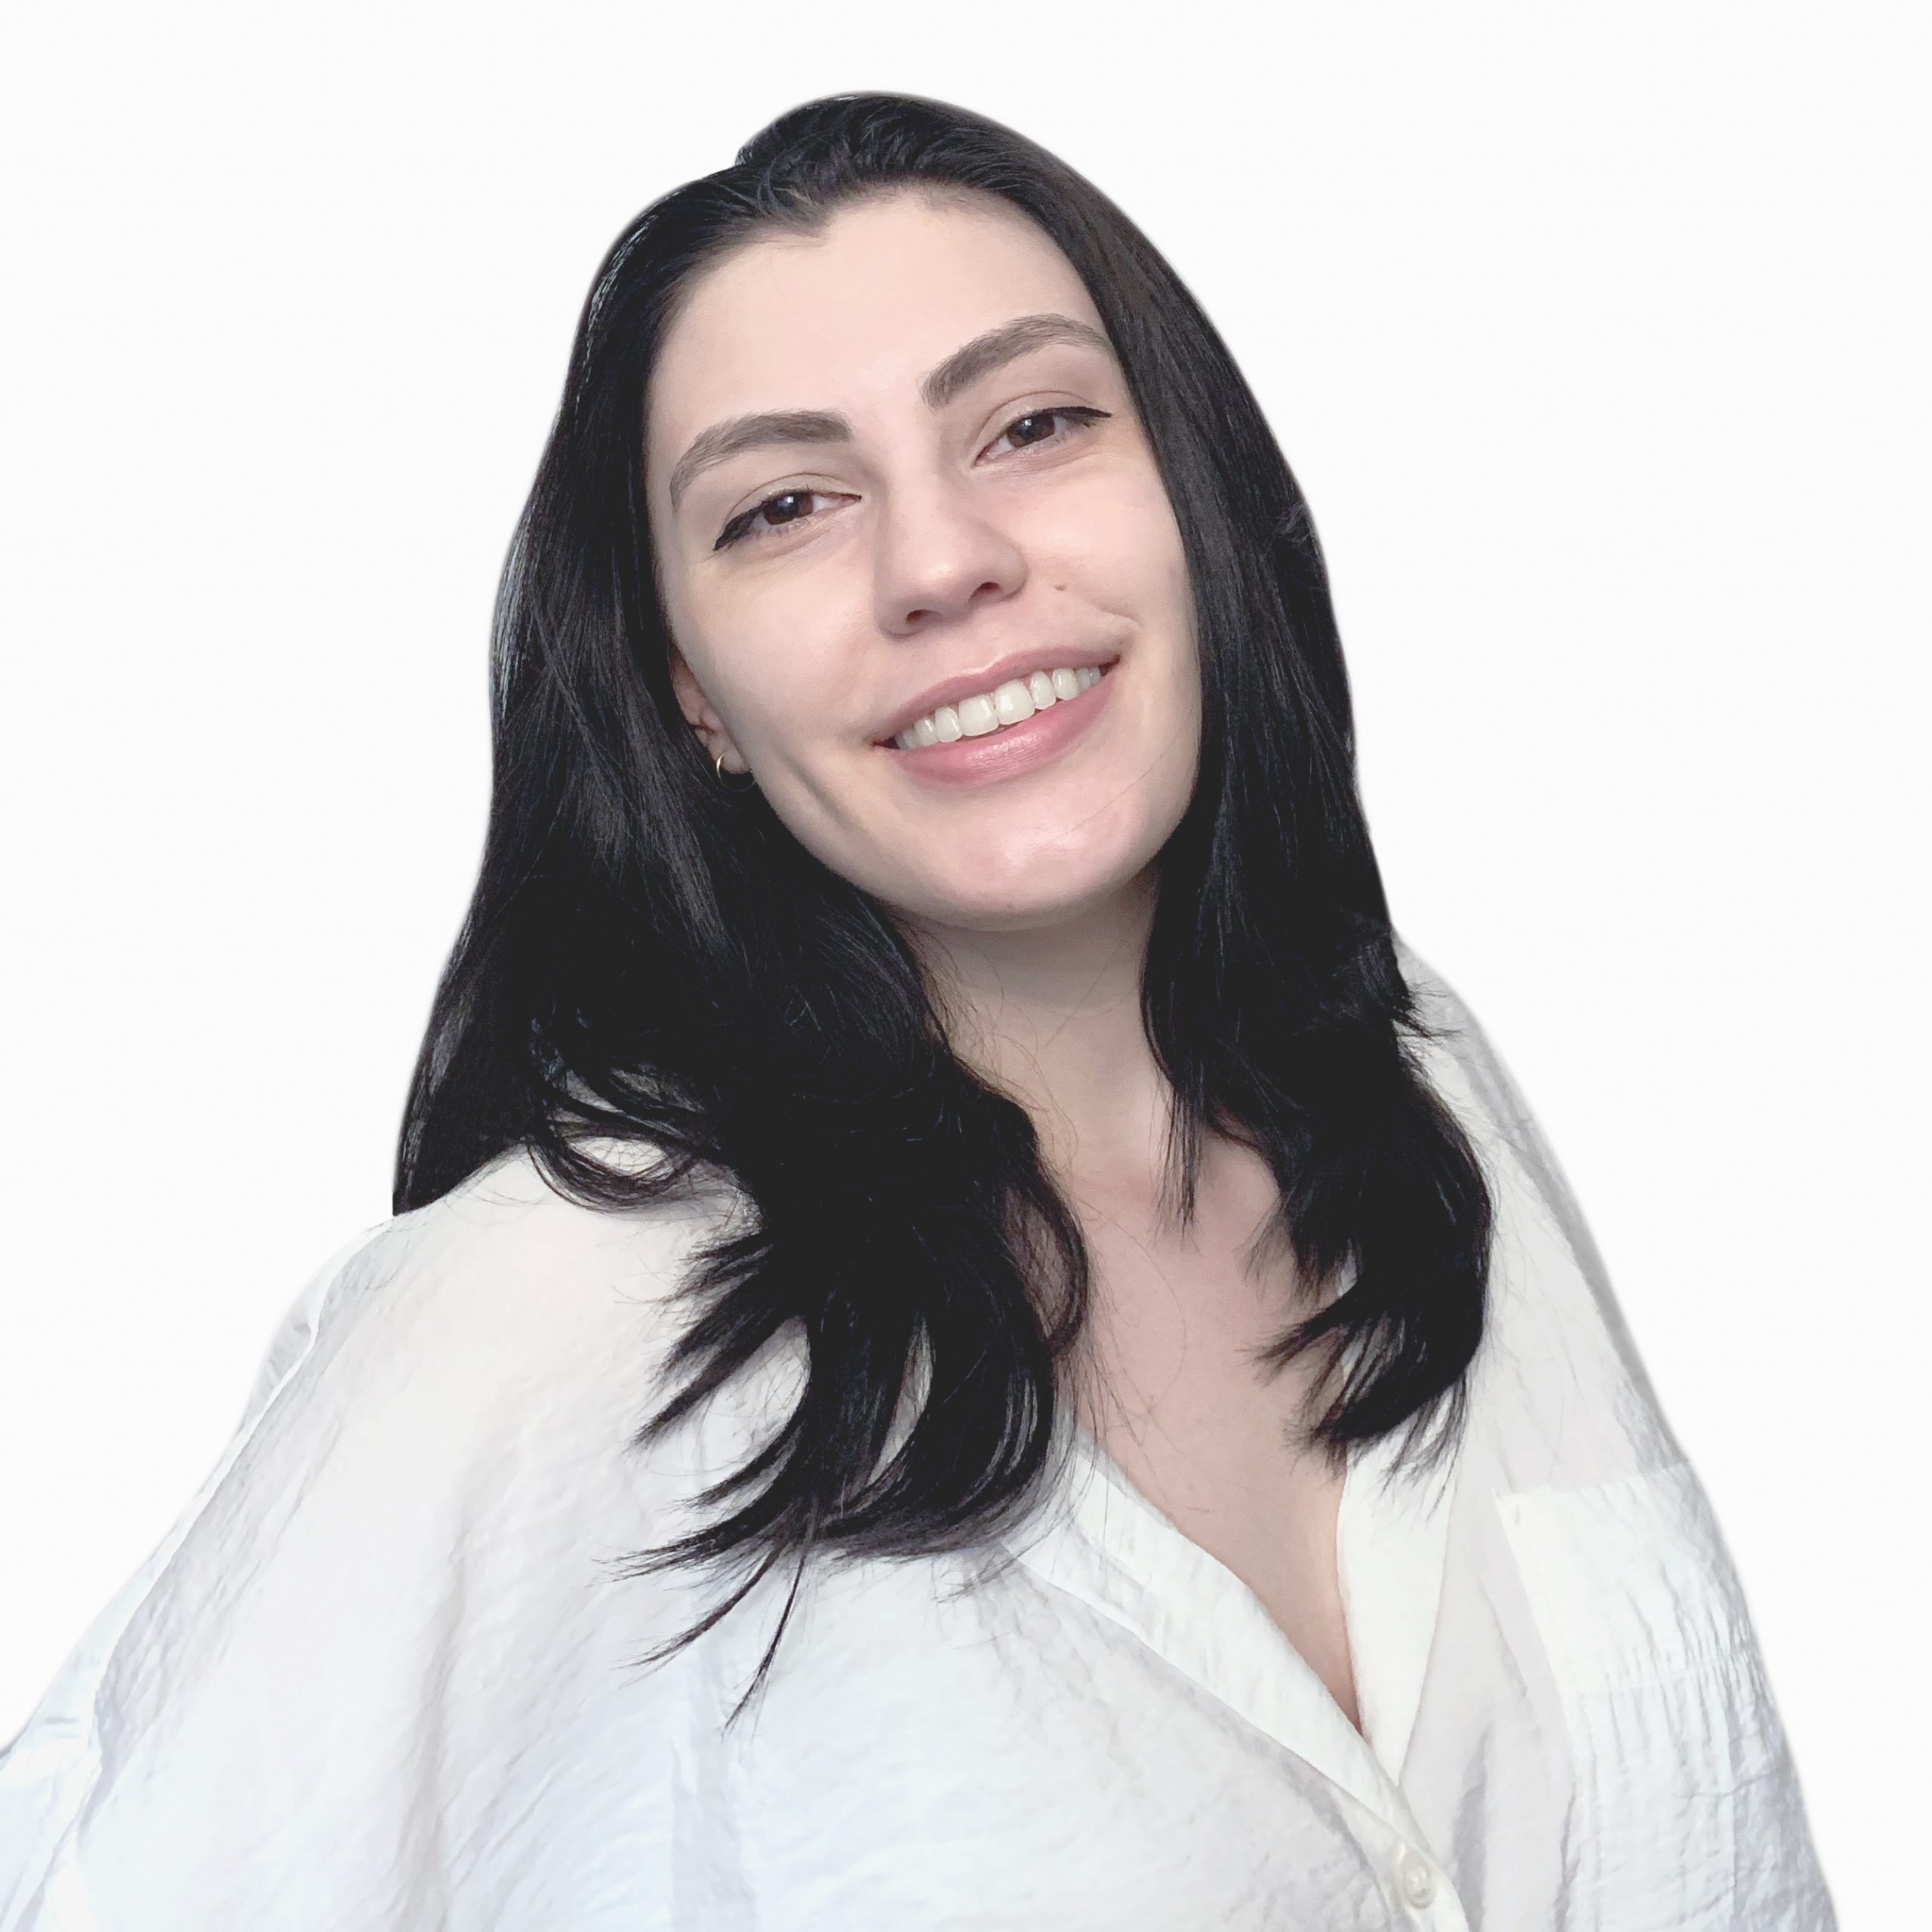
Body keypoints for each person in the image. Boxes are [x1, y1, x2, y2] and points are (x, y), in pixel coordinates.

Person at [0, 92, 1836, 1930]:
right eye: (784, 506)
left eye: (1031, 424)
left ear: (1195, 502)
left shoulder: (1421, 1077)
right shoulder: (549, 1315)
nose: (941, 561)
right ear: (691, 695)